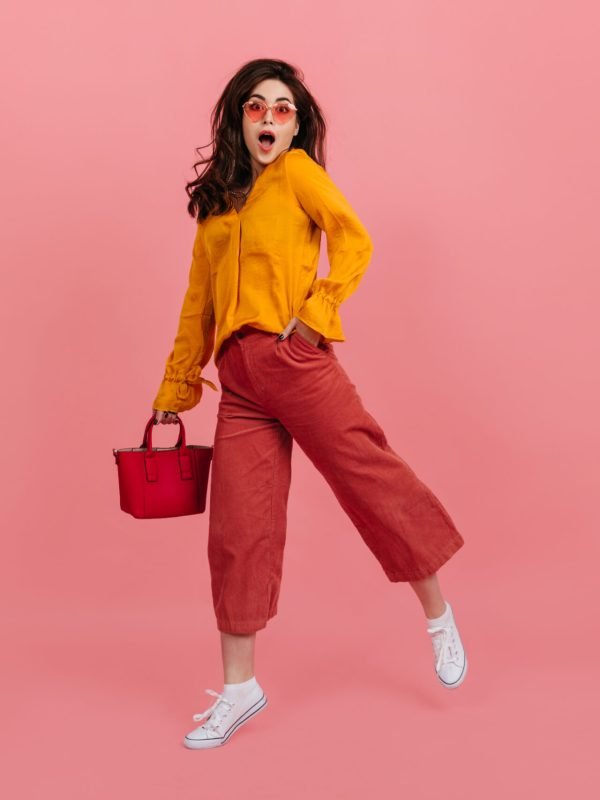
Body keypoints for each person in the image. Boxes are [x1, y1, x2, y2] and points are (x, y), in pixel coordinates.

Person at [151, 58, 468, 750]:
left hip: (294, 361)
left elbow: (355, 239)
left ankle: (438, 615)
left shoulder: (298, 175)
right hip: (238, 382)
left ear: (298, 123)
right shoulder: (217, 205)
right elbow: (196, 305)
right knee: (239, 528)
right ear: (238, 116)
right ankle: (240, 689)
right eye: (257, 107)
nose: (270, 118)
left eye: (283, 108)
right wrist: (176, 391)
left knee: (369, 479)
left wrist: (318, 314)